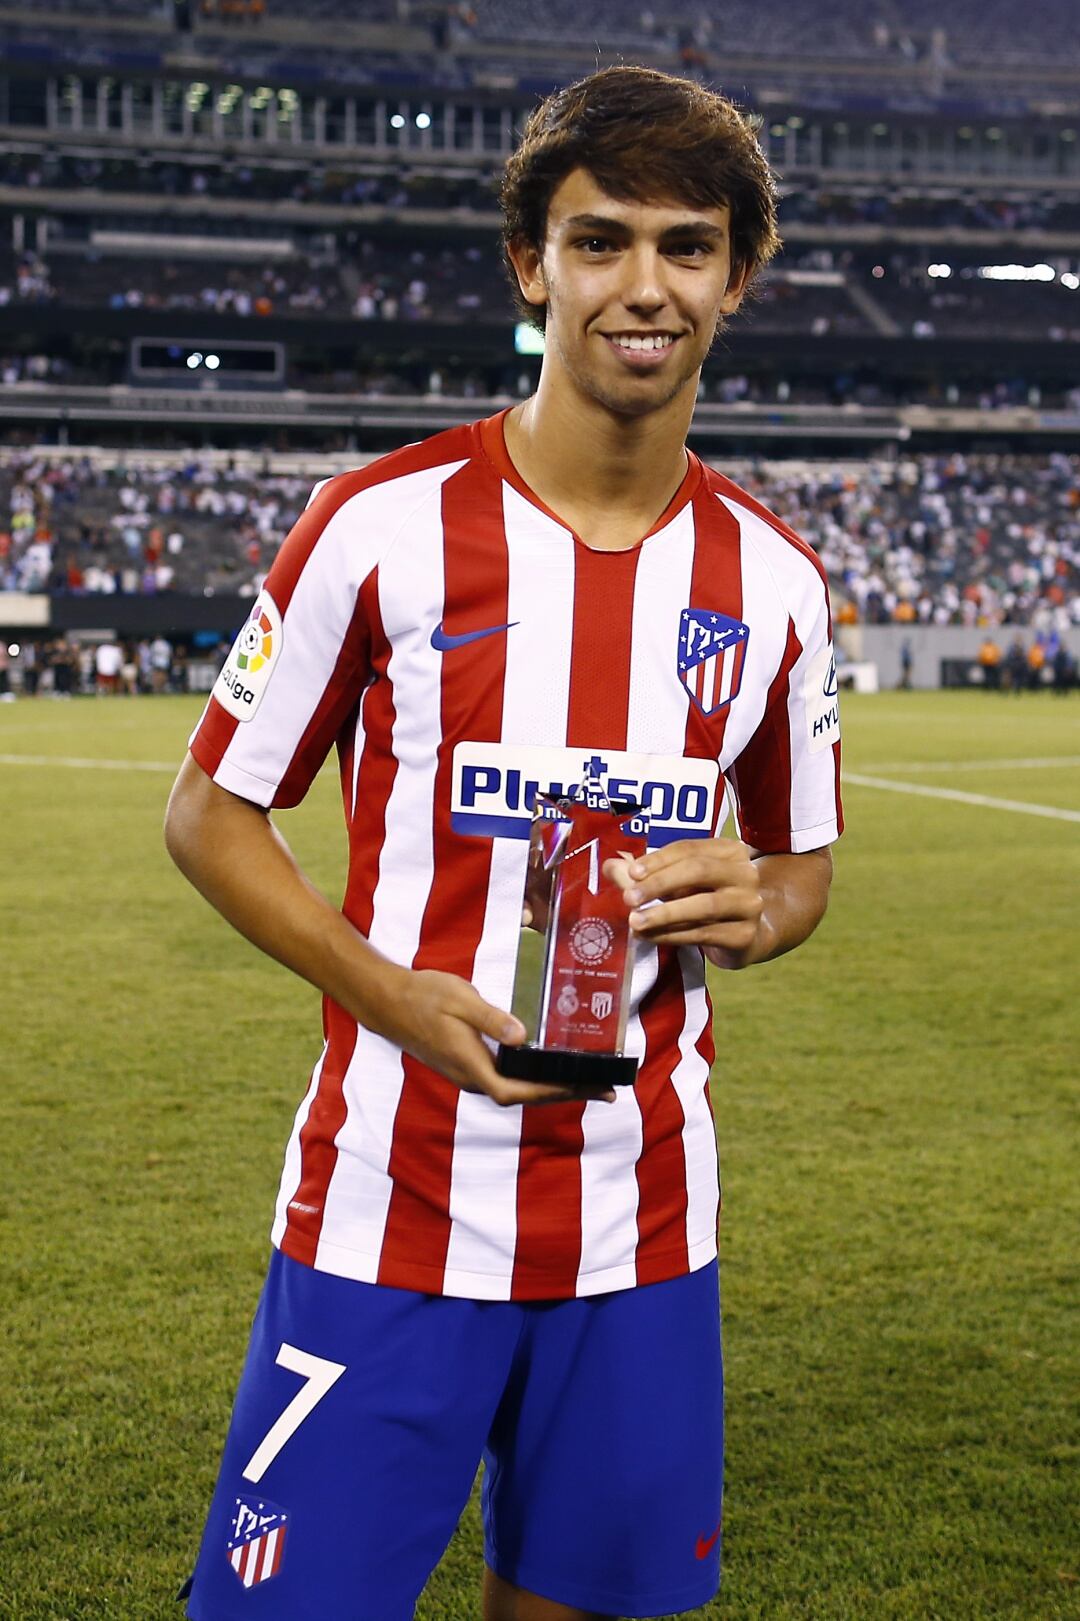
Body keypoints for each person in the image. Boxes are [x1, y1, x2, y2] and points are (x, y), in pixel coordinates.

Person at [165, 66, 842, 1621]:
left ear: (738, 276)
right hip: (388, 1206)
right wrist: (391, 990)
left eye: (686, 246)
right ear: (530, 266)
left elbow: (800, 868)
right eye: (599, 241)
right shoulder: (378, 528)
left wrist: (763, 902)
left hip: (643, 1219)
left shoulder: (778, 583)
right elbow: (209, 810)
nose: (643, 286)